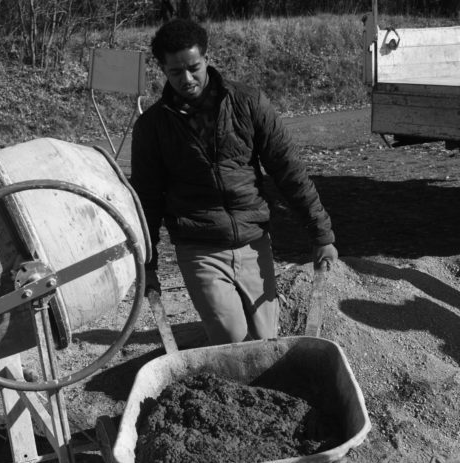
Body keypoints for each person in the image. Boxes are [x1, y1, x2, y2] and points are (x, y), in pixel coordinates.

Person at [131, 19, 337, 347]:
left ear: (207, 59)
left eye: (193, 67)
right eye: (175, 72)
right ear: (163, 70)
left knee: (265, 339)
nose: (186, 79)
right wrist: (148, 265)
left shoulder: (247, 103)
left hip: (254, 242)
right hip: (199, 246)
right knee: (231, 339)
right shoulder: (152, 127)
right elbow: (147, 200)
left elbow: (288, 170)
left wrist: (320, 234)